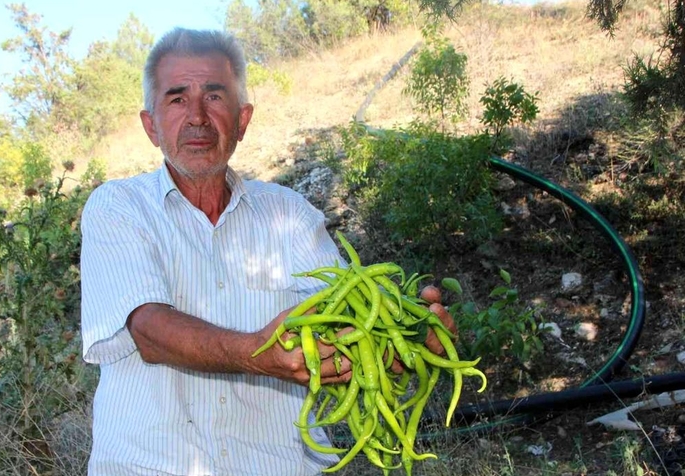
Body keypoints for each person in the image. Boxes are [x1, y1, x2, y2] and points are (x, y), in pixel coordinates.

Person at [80, 27, 453, 476]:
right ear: (151, 126)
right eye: (177, 99)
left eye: (215, 98)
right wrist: (258, 351)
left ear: (242, 120)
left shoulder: (290, 214)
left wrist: (405, 339)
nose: (197, 116)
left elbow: (348, 331)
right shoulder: (118, 207)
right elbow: (150, 332)